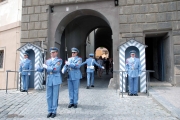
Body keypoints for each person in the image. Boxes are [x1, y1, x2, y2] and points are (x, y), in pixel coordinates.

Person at [37, 47, 62, 118]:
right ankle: (49, 111)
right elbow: (42, 69)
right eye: (51, 52)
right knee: (48, 96)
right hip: (49, 79)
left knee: (55, 96)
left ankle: (54, 111)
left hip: (56, 79)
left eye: (54, 52)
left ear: (57, 53)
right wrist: (38, 68)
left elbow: (55, 69)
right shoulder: (47, 61)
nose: (52, 53)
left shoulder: (59, 60)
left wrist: (47, 67)